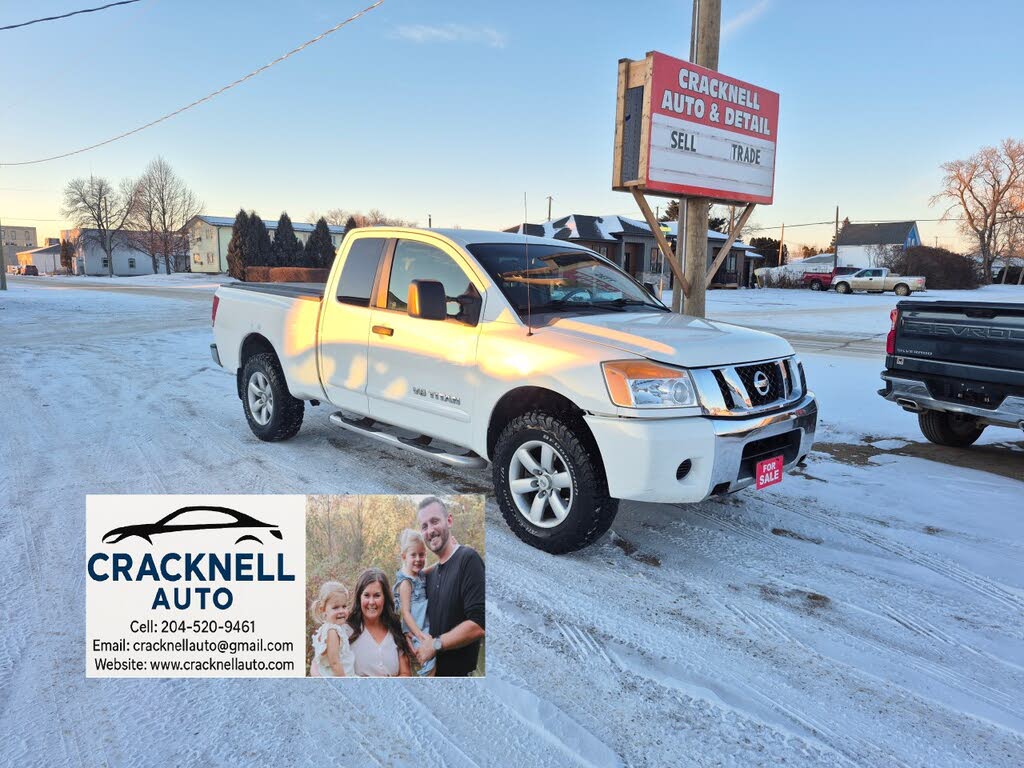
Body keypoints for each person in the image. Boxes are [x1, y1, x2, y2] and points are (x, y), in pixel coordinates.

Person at [414, 496, 485, 677]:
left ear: (449, 520)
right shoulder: (431, 575)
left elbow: (479, 623)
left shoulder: (468, 559)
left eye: (435, 521)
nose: (430, 530)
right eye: (424, 526)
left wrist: (436, 644)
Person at [346, 568, 411, 677]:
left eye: (377, 595)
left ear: (385, 598)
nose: (371, 602)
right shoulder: (346, 630)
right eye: (366, 595)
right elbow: (320, 664)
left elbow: (406, 673)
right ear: (359, 597)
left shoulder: (395, 629)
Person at [394, 529, 435, 676]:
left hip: (425, 625)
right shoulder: (406, 582)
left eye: (422, 554)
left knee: (436, 655)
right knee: (428, 659)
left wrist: (448, 558)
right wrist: (419, 634)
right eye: (413, 555)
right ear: (404, 556)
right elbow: (405, 612)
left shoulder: (419, 575)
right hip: (416, 629)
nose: (418, 559)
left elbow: (430, 569)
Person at [308, 581, 355, 677]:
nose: (341, 611)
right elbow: (334, 663)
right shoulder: (332, 631)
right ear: (323, 610)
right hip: (339, 678)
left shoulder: (327, 628)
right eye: (336, 607)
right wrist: (344, 683)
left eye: (344, 606)